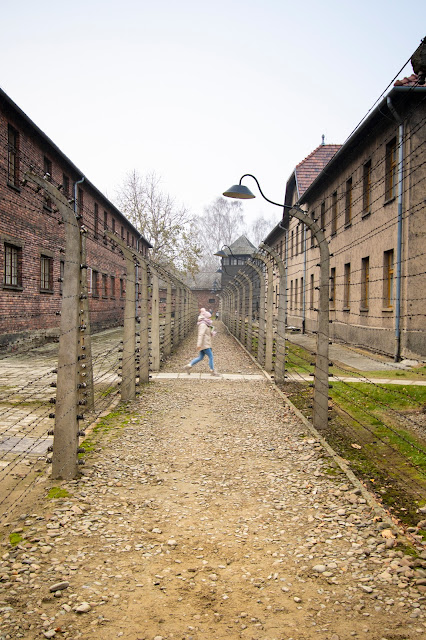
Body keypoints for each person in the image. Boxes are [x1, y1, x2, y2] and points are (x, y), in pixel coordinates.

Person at [183, 308, 220, 376]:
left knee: (200, 357)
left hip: (204, 344)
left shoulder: (205, 324)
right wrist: (199, 345)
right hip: (205, 344)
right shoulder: (203, 325)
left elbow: (205, 333)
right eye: (209, 317)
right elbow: (201, 335)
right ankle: (212, 371)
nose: (210, 319)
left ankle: (188, 366)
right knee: (211, 357)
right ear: (205, 317)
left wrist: (211, 333)